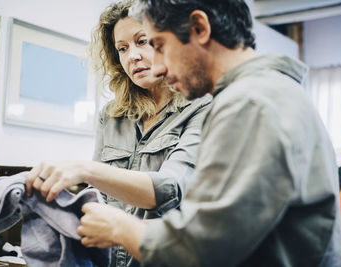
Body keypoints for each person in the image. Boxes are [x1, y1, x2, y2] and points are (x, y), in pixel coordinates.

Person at [28, 0, 341, 266]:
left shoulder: (250, 104)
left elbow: (204, 246)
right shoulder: (266, 94)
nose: (160, 67)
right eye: (126, 48)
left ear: (199, 28)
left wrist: (119, 227)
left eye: (158, 45)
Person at [25, 1, 211, 266]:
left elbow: (170, 188)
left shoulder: (202, 107)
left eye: (142, 41)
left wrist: (85, 169)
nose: (132, 56)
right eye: (122, 48)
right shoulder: (111, 115)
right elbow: (99, 196)